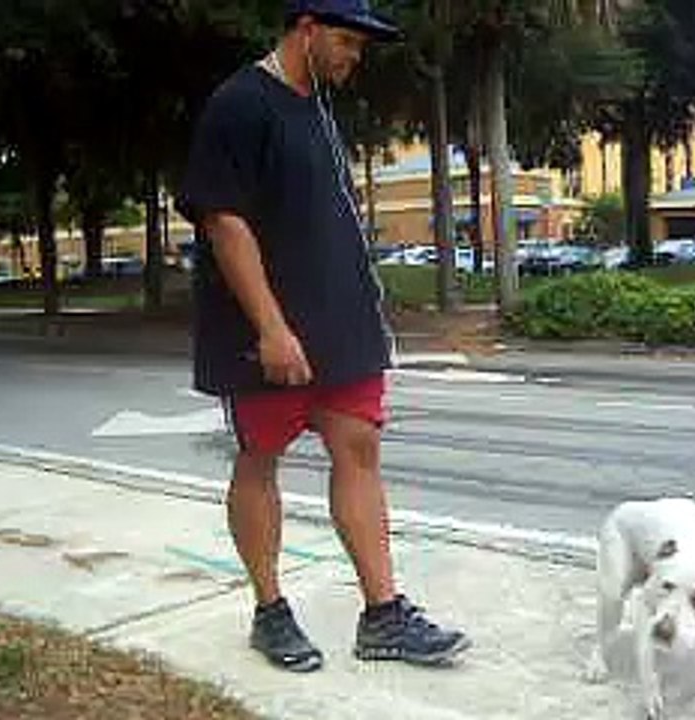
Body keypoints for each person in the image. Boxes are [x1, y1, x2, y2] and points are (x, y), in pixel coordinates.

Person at [176, 0, 470, 673]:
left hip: (342, 326)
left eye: (360, 48)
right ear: (304, 29)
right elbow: (225, 222)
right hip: (269, 332)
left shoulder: (319, 107)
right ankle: (270, 611)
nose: (353, 58)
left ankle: (383, 615)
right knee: (260, 459)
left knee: (359, 450)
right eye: (344, 42)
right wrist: (272, 328)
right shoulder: (240, 103)